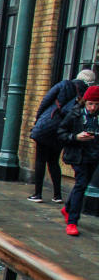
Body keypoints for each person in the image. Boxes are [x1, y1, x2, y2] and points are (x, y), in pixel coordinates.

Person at [28, 69, 95, 202]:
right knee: (53, 161)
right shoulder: (85, 95)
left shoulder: (64, 84)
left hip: (47, 126)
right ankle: (57, 195)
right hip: (63, 129)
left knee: (40, 160)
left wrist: (38, 120)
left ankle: (37, 194)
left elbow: (45, 102)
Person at [56, 85, 99, 236]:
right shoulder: (75, 114)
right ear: (85, 102)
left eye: (96, 104)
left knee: (83, 184)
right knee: (81, 185)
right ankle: (72, 221)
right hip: (77, 155)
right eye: (90, 104)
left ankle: (67, 208)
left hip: (93, 156)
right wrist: (75, 137)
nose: (93, 108)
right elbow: (61, 132)